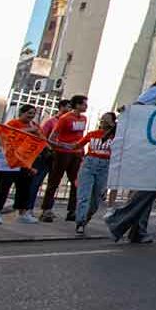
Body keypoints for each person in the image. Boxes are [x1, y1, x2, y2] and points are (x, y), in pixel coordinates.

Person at [105, 67, 156, 243]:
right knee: (150, 188)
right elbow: (138, 108)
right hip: (150, 148)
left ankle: (138, 230)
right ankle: (118, 219)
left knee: (150, 188)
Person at [40, 94, 89, 222]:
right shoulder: (65, 119)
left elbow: (80, 135)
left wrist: (81, 149)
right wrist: (65, 145)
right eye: (84, 104)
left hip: (77, 153)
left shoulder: (84, 118)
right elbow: (51, 138)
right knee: (54, 181)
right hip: (62, 153)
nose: (86, 106)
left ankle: (72, 211)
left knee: (76, 182)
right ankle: (46, 210)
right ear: (77, 105)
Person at [0, 105, 44, 225]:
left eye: (33, 114)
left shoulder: (34, 126)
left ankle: (23, 213)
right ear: (21, 113)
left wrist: (36, 132)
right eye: (29, 113)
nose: (31, 116)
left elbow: (42, 139)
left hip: (25, 162)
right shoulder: (13, 123)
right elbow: (6, 136)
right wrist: (28, 131)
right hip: (8, 162)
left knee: (24, 188)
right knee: (3, 188)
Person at [72, 112, 117, 234]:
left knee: (96, 199)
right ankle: (80, 222)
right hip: (89, 165)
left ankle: (86, 218)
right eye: (102, 120)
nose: (103, 123)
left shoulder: (116, 138)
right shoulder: (92, 134)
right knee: (84, 196)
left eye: (106, 121)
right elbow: (77, 145)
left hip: (105, 167)